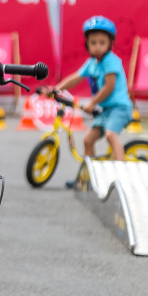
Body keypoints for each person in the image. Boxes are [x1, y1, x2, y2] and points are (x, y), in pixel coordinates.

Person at [42, 16, 132, 186]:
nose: (97, 46)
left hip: (120, 108)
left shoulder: (111, 61)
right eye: (93, 42)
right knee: (87, 140)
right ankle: (89, 180)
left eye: (102, 42)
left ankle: (122, 178)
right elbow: (75, 78)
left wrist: (92, 103)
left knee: (111, 135)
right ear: (87, 44)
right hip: (106, 111)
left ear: (110, 44)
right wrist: (56, 89)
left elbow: (109, 87)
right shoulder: (92, 63)